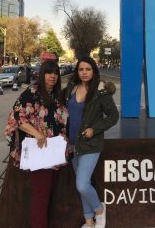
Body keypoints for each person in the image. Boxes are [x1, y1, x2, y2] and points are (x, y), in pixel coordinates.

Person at [5, 59, 68, 228]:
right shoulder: (31, 93)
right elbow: (18, 118)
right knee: (41, 196)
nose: (52, 76)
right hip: (39, 152)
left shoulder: (57, 95)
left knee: (47, 195)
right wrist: (38, 134)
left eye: (55, 73)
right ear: (42, 74)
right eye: (49, 72)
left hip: (54, 152)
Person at [63, 56, 119, 228]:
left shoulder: (101, 92)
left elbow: (113, 116)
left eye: (88, 69)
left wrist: (94, 129)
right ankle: (89, 222)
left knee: (81, 184)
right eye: (81, 69)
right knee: (83, 185)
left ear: (94, 71)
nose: (84, 72)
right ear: (77, 71)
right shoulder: (71, 89)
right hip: (72, 145)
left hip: (90, 144)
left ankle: (99, 210)